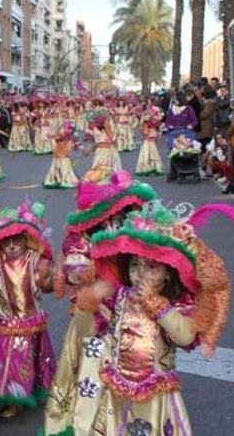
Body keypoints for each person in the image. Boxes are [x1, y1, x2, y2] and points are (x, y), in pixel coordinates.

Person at [82, 201, 234, 435]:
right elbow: (108, 327)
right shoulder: (121, 295)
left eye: (151, 267)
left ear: (168, 275)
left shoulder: (173, 304)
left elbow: (184, 336)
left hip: (155, 394)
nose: (140, 273)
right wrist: (96, 294)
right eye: (134, 265)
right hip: (117, 387)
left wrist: (158, 306)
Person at [42, 172, 157, 436]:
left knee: (137, 381)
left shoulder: (138, 225)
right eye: (108, 216)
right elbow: (73, 265)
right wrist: (92, 277)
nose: (113, 222)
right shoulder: (81, 235)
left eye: (119, 213)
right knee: (89, 380)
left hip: (135, 319)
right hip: (95, 322)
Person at [0, 201, 55, 418]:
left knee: (30, 359)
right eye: (5, 242)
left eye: (16, 240)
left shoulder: (33, 259)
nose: (11, 246)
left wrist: (49, 276)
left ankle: (23, 394)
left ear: (25, 240)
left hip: (30, 320)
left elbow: (47, 285)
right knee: (9, 361)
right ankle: (9, 396)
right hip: (7, 322)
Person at [85, 108, 121, 180]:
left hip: (108, 151)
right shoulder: (93, 127)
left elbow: (112, 139)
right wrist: (89, 149)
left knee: (107, 171)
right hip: (101, 151)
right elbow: (93, 140)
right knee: (99, 171)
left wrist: (107, 127)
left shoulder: (107, 125)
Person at [43, 121, 79, 189]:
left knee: (64, 166)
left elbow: (65, 139)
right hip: (57, 155)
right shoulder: (59, 134)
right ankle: (57, 178)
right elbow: (57, 138)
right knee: (56, 167)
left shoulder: (68, 138)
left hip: (63, 155)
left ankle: (64, 179)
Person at [135, 105, 165, 177]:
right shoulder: (146, 117)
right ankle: (150, 166)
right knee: (149, 150)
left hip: (151, 133)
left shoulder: (152, 117)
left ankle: (150, 167)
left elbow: (159, 118)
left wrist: (151, 116)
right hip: (150, 133)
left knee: (150, 150)